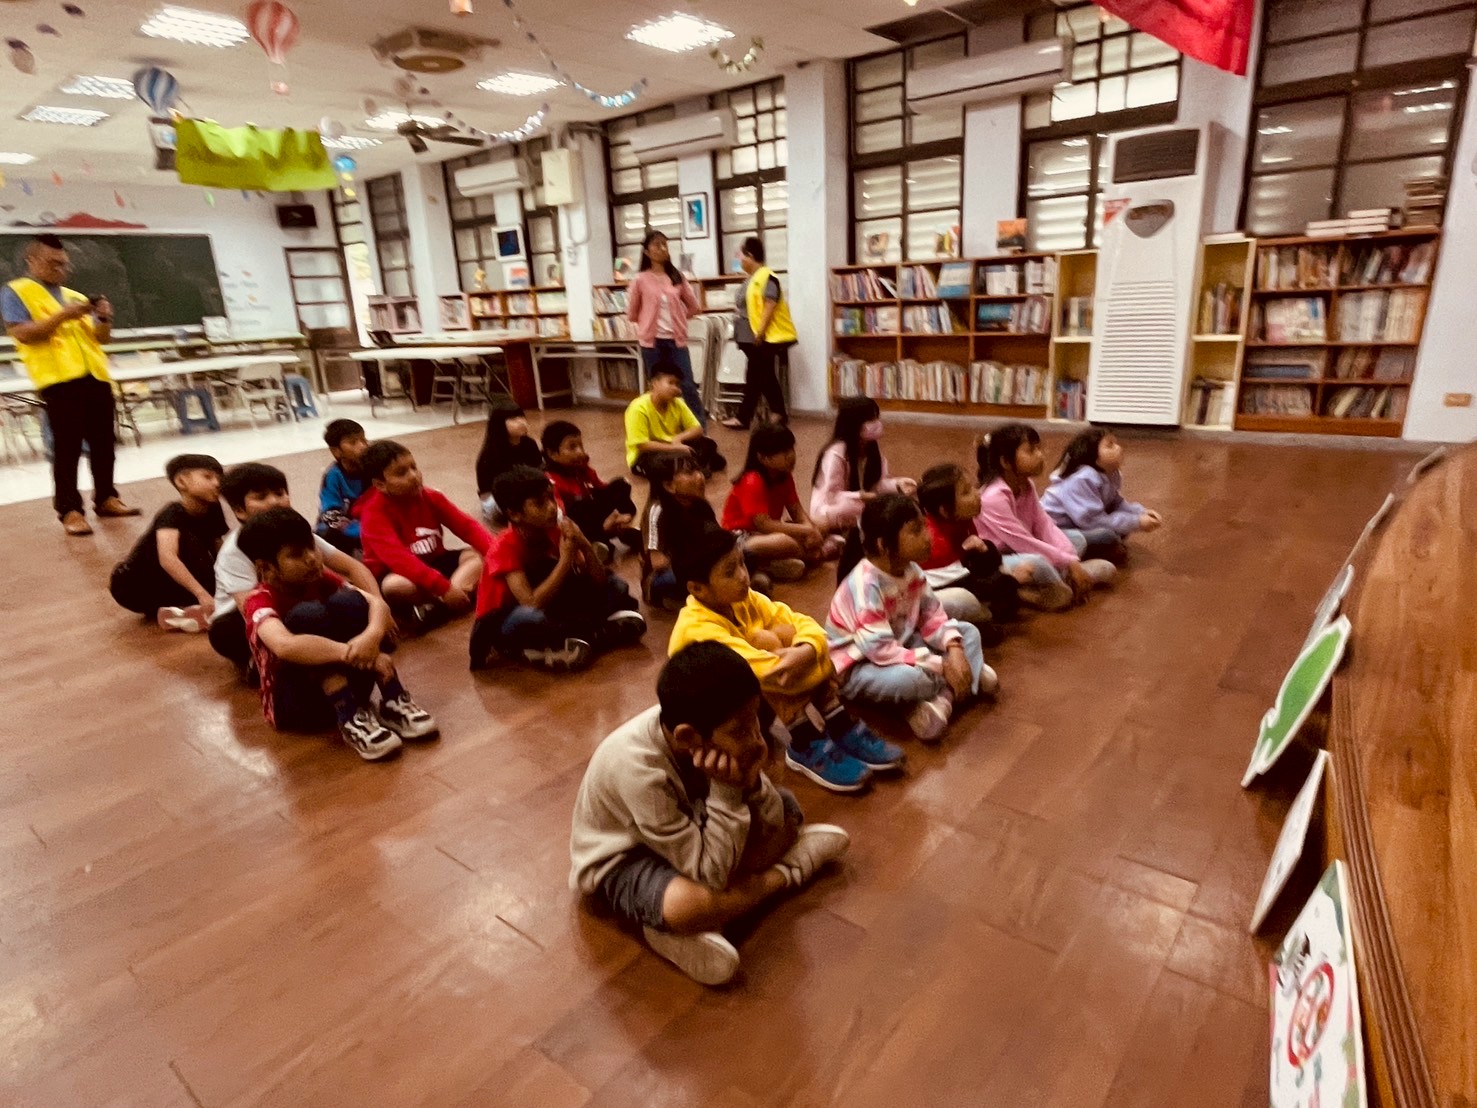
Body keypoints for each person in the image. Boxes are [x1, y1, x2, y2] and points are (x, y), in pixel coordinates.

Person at [569, 641, 851, 985]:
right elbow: (711, 874)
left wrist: (751, 781)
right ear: (688, 736)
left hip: (694, 832)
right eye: (740, 730)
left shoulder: (710, 728)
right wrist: (729, 793)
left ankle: (692, 925)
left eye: (755, 721)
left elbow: (774, 819)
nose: (755, 739)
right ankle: (789, 872)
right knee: (687, 905)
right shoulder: (638, 770)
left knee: (788, 810)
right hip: (626, 859)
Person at [671, 524, 903, 793]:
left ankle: (839, 724)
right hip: (720, 724)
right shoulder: (697, 630)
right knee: (766, 650)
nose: (743, 576)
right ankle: (804, 742)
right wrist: (817, 657)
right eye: (729, 572)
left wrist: (808, 648)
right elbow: (766, 672)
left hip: (754, 702)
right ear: (697, 589)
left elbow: (802, 623)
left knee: (786, 635)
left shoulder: (740, 598)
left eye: (742, 563)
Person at [238, 507, 437, 762]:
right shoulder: (259, 600)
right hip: (298, 705)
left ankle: (392, 703)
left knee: (350, 602)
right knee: (306, 616)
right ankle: (350, 717)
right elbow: (285, 646)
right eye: (297, 555)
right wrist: (351, 653)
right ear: (266, 567)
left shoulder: (320, 579)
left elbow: (377, 604)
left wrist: (370, 638)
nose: (312, 558)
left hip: (352, 683)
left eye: (311, 547)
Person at [1, 233, 139, 535]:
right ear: (32, 261)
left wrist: (104, 319)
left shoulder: (75, 297)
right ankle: (69, 510)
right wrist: (63, 316)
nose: (61, 269)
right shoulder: (16, 291)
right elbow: (23, 334)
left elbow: (101, 339)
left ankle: (106, 497)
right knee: (67, 449)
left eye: (64, 263)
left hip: (96, 377)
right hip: (59, 382)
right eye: (53, 263)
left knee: (104, 445)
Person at [827, 494, 995, 742]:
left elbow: (932, 615)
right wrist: (943, 665)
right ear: (884, 545)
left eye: (925, 527)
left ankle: (941, 701)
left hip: (902, 645)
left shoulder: (912, 569)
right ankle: (965, 679)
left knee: (968, 632)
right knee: (908, 679)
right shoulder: (865, 586)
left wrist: (955, 649)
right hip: (862, 665)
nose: (928, 536)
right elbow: (880, 650)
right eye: (916, 531)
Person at [211, 462, 383, 675]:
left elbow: (353, 568)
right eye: (261, 497)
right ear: (239, 510)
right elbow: (249, 610)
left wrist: (380, 615)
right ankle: (259, 660)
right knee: (225, 631)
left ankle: (325, 649)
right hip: (254, 616)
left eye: (279, 493)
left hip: (297, 601)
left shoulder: (296, 534)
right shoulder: (234, 552)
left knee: (343, 601)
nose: (274, 501)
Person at [470, 466, 646, 672]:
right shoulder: (503, 547)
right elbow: (531, 602)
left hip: (550, 604)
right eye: (540, 503)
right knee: (531, 619)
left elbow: (598, 580)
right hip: (504, 621)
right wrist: (565, 559)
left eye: (551, 498)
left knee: (615, 585)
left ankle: (577, 639)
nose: (552, 507)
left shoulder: (553, 530)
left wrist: (584, 544)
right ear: (514, 514)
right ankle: (595, 634)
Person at [973, 425, 1117, 611]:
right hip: (999, 558)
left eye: (1039, 448)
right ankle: (1038, 588)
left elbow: (1044, 524)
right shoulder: (992, 497)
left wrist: (1071, 561)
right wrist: (1069, 562)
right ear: (1006, 462)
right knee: (1037, 563)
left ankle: (1055, 582)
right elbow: (1022, 542)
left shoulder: (1026, 485)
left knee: (1076, 540)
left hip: (1025, 548)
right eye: (1031, 450)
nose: (1040, 455)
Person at [357, 439, 491, 620]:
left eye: (414, 467)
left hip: (434, 562)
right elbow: (399, 559)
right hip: (398, 572)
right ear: (380, 484)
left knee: (477, 556)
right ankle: (457, 596)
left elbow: (468, 527)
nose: (413, 476)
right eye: (401, 473)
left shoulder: (431, 497)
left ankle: (441, 605)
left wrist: (498, 555)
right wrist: (443, 588)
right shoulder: (373, 514)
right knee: (395, 586)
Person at [108, 453, 228, 632]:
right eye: (208, 477)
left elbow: (219, 550)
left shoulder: (213, 508)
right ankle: (191, 608)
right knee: (192, 548)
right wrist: (202, 594)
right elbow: (168, 558)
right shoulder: (172, 514)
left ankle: (180, 613)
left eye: (219, 478)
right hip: (134, 585)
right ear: (181, 481)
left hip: (169, 583)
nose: (217, 483)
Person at [721, 424, 833, 583]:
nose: (791, 456)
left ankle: (781, 562)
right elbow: (763, 525)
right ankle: (802, 556)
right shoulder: (752, 480)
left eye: (791, 449)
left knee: (823, 522)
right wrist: (807, 531)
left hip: (769, 532)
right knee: (786, 542)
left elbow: (797, 511)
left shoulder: (784, 476)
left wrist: (810, 530)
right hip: (742, 537)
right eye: (784, 452)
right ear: (763, 458)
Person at [916, 462, 1016, 628]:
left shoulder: (963, 521)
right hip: (937, 590)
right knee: (999, 588)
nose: (977, 494)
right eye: (966, 492)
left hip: (960, 576)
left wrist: (984, 549)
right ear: (945, 510)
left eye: (973, 487)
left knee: (1004, 581)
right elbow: (955, 582)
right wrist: (1009, 580)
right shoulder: (934, 542)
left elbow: (978, 564)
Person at [625, 229, 707, 427]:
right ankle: (661, 428)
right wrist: (647, 322)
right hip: (651, 343)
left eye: (665, 244)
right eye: (657, 245)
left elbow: (694, 306)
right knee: (658, 389)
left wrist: (678, 319)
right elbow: (632, 313)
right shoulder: (640, 279)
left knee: (687, 385)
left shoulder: (677, 277)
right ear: (647, 252)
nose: (662, 248)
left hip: (676, 341)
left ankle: (700, 429)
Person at [1040, 428, 1162, 561]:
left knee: (1117, 531)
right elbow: (1092, 521)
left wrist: (1140, 512)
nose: (1118, 448)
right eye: (1110, 445)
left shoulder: (1111, 473)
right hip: (1056, 528)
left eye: (1116, 443)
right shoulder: (1081, 479)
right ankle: (1075, 553)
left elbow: (1115, 502)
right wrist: (1136, 522)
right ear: (1092, 455)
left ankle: (1095, 549)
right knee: (1106, 535)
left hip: (1081, 524)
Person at [808, 397, 915, 535]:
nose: (877, 423)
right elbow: (832, 495)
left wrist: (897, 485)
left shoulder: (872, 449)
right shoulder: (836, 453)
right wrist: (860, 496)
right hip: (832, 507)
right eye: (870, 419)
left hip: (861, 502)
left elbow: (877, 484)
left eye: (876, 418)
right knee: (858, 508)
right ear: (853, 423)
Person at [721, 236, 794, 431]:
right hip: (751, 337)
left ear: (751, 255)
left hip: (763, 337)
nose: (740, 260)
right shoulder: (752, 278)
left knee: (758, 376)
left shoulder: (767, 277)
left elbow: (770, 303)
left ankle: (749, 417)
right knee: (760, 375)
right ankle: (772, 413)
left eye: (741, 256)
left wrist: (760, 332)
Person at [541, 418, 640, 552]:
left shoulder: (580, 468)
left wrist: (614, 504)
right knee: (580, 507)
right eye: (572, 447)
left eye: (581, 446)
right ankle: (603, 535)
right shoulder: (549, 480)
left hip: (593, 514)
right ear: (552, 454)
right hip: (577, 523)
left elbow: (601, 488)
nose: (580, 452)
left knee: (620, 484)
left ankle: (615, 527)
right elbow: (559, 516)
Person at [639, 452, 718, 610]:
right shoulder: (657, 511)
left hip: (694, 566)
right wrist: (699, 560)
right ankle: (674, 599)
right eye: (689, 473)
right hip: (665, 576)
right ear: (669, 485)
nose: (699, 476)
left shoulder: (700, 504)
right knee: (708, 572)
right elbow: (658, 562)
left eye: (698, 470)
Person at [624, 360, 726, 479]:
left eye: (677, 384)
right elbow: (643, 445)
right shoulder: (638, 408)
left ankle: (689, 466)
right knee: (656, 464)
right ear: (654, 383)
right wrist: (675, 448)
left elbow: (697, 429)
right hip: (647, 454)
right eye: (670, 383)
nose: (675, 388)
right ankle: (693, 466)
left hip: (674, 447)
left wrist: (678, 438)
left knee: (708, 444)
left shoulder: (677, 403)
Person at [475, 398, 543, 523]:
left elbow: (540, 469)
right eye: (513, 419)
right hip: (498, 496)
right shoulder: (491, 453)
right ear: (499, 424)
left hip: (525, 490)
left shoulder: (529, 444)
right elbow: (487, 490)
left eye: (521, 417)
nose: (521, 422)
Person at [315, 418, 370, 556]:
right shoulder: (333, 476)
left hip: (369, 524)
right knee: (328, 536)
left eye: (364, 440)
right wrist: (361, 530)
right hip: (342, 530)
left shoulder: (372, 470)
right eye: (353, 442)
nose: (362, 446)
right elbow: (330, 515)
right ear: (336, 451)